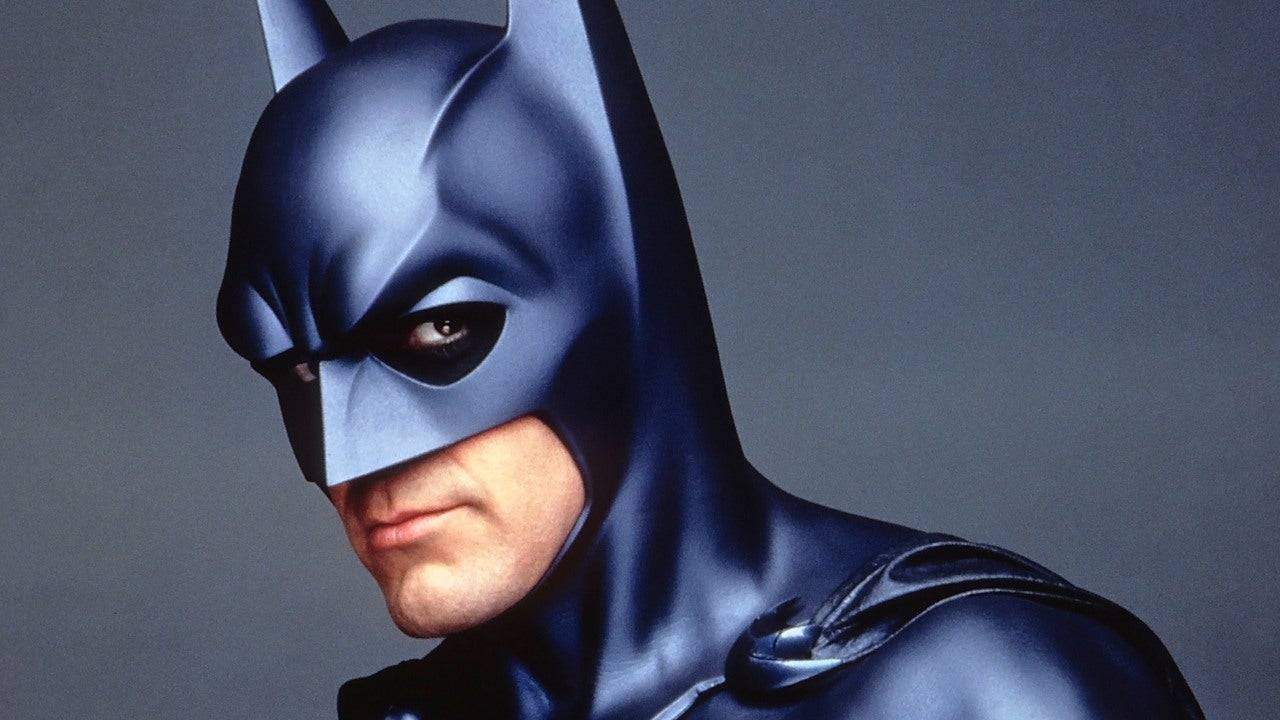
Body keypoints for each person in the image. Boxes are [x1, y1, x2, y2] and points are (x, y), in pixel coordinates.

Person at [215, 1, 1204, 718]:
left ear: (613, 294)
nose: (347, 459)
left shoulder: (975, 692)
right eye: (295, 369)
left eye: (436, 331)